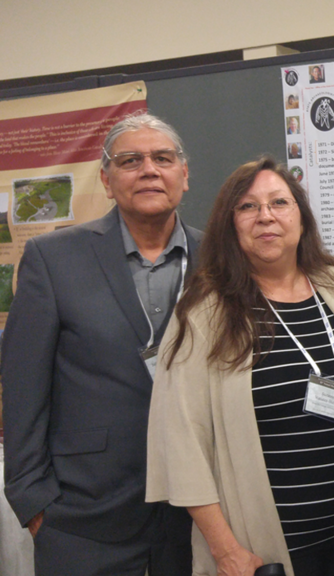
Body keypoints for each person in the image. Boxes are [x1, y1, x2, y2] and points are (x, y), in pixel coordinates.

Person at [146, 157, 334, 576]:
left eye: (279, 203)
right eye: (248, 207)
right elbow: (180, 443)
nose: (266, 216)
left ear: (301, 218)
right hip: (266, 548)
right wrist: (225, 550)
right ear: (229, 223)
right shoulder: (204, 312)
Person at [1, 113, 199, 575]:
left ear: (184, 175)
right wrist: (34, 502)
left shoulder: (217, 260)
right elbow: (23, 385)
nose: (149, 169)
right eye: (130, 160)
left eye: (162, 158)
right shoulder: (52, 259)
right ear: (108, 181)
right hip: (83, 519)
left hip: (194, 514)